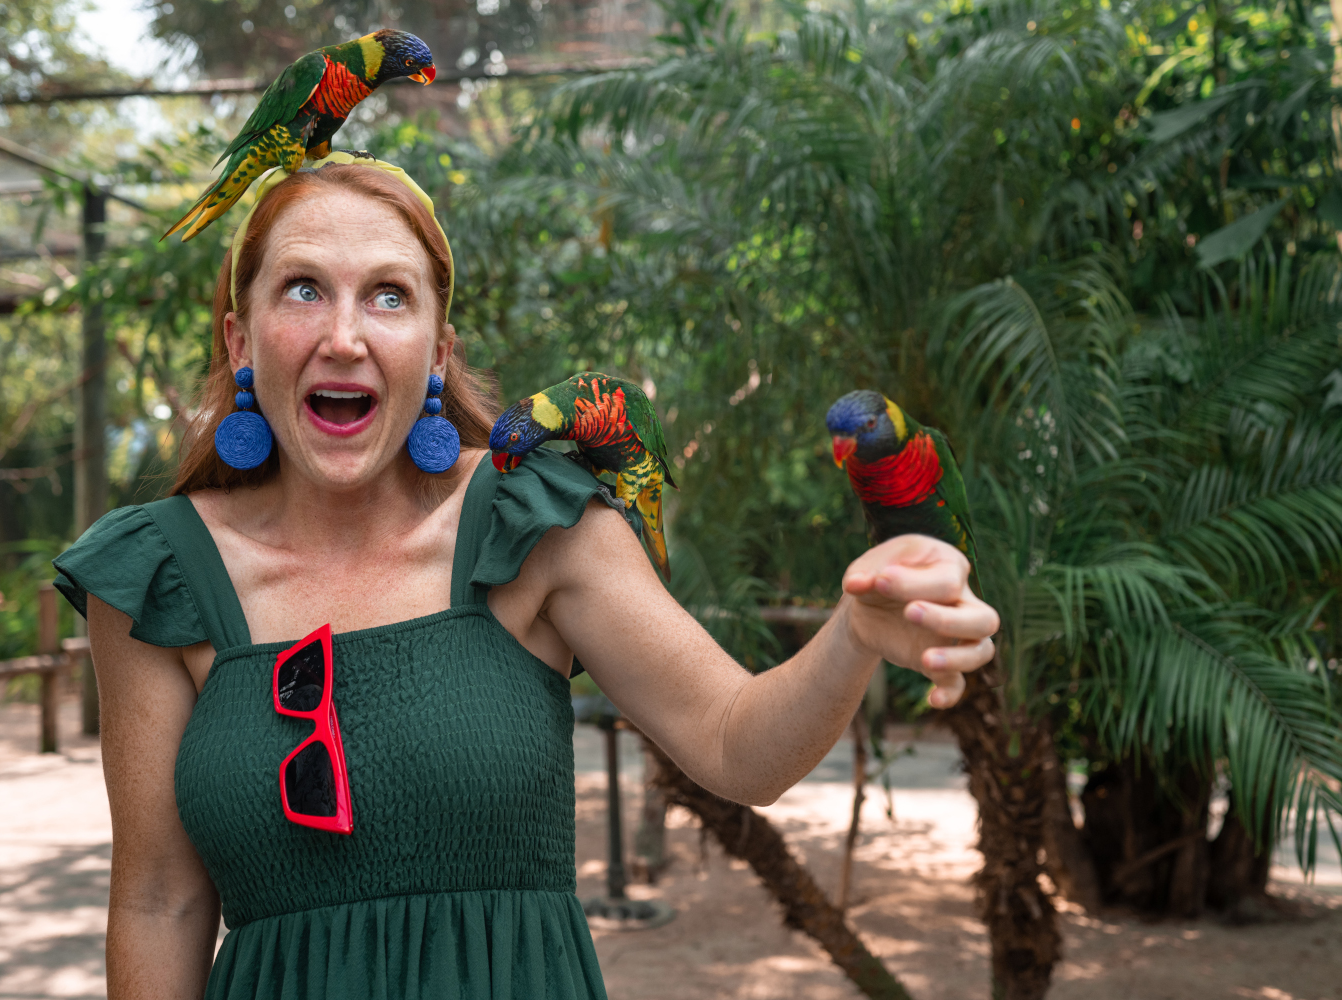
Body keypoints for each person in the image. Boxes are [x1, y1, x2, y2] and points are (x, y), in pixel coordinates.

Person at [53, 152, 998, 1000]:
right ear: (240, 340)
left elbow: (736, 744)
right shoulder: (158, 574)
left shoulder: (532, 522)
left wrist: (855, 633)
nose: (345, 335)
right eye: (303, 290)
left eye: (390, 296)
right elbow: (158, 901)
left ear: (438, 350)